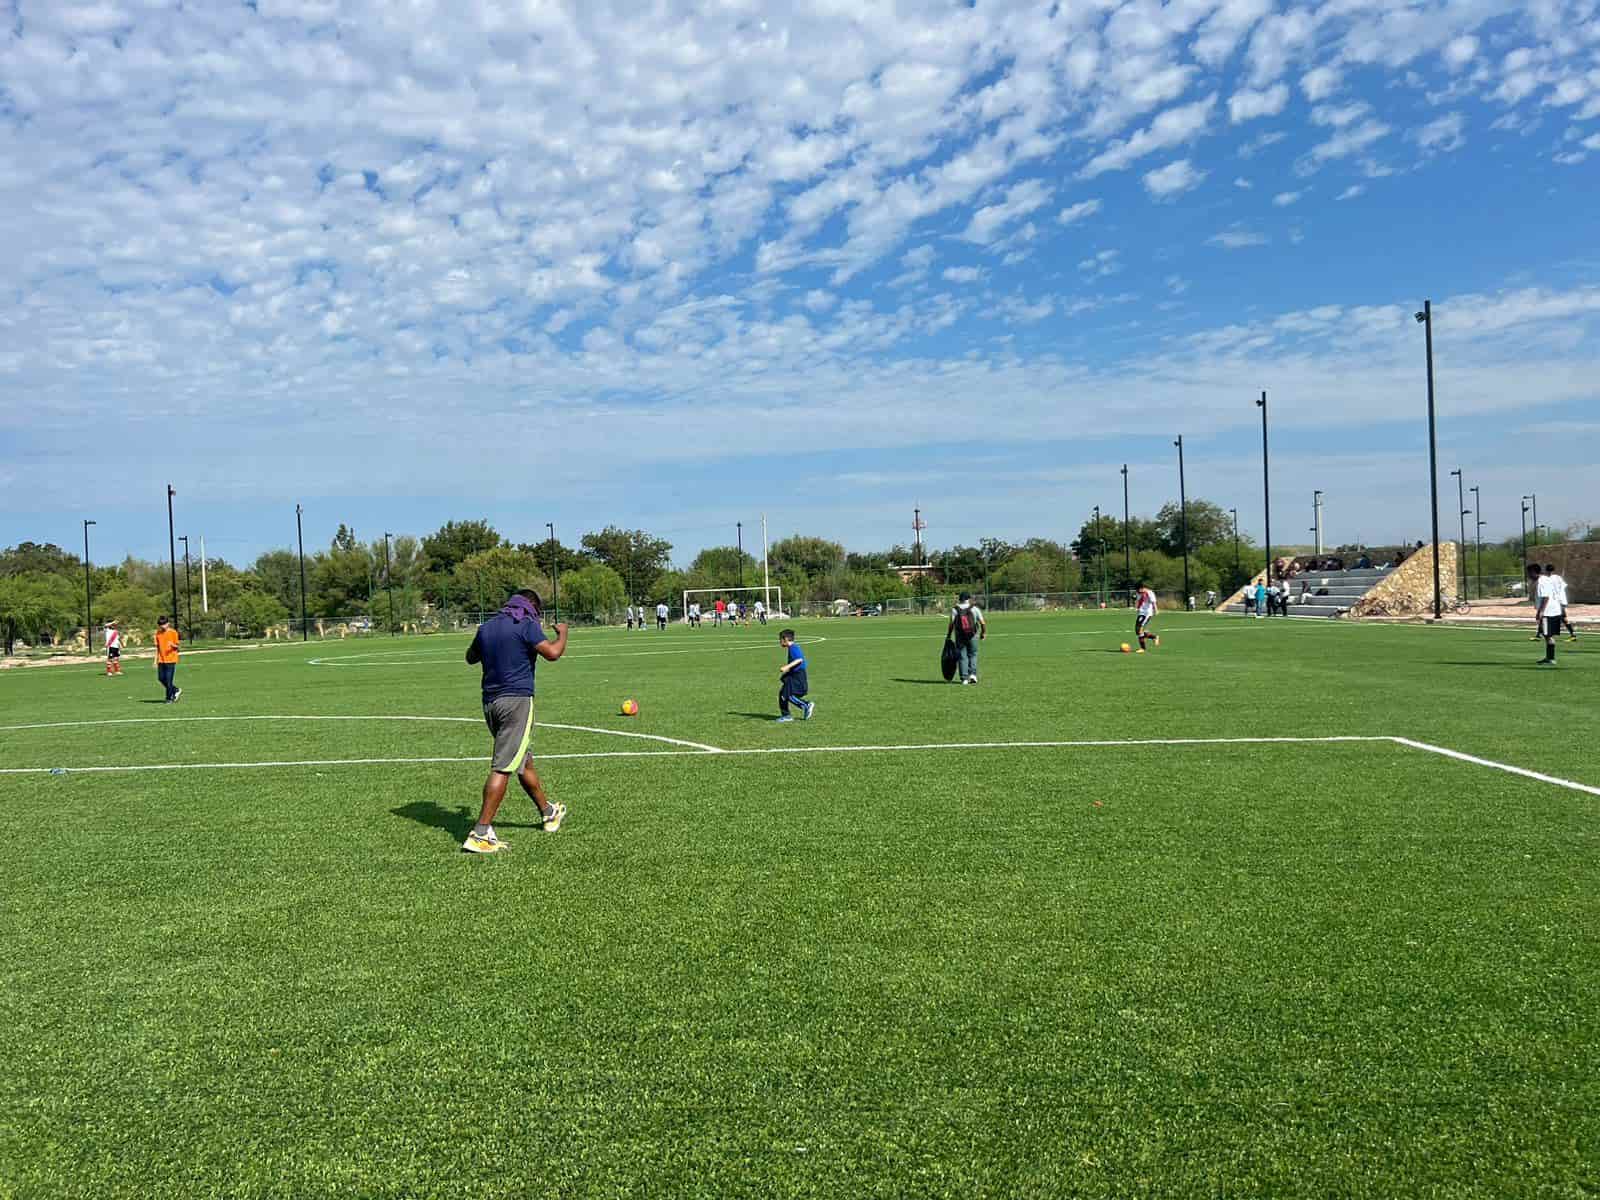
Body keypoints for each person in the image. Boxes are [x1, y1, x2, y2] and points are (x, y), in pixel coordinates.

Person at [461, 589, 569, 854]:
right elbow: (553, 653)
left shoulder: (486, 627)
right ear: (531, 607)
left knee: (522, 759)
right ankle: (482, 832)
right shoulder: (526, 624)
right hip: (517, 702)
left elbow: (470, 657)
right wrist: (563, 633)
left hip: (490, 704)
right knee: (504, 766)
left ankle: (548, 812)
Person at [775, 628, 814, 722]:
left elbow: (799, 660)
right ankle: (786, 715)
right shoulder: (793, 648)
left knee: (786, 694)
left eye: (780, 639)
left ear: (786, 639)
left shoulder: (793, 648)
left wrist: (786, 667)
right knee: (783, 693)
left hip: (797, 675)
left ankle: (806, 705)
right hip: (794, 674)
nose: (779, 641)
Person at [947, 591, 986, 684]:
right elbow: (982, 623)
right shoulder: (974, 608)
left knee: (962, 656)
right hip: (973, 635)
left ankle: (964, 678)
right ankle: (973, 675)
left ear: (960, 599)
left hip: (960, 636)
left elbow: (951, 624)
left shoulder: (955, 609)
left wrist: (948, 635)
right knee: (973, 654)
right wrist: (983, 633)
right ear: (968, 599)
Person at [1536, 564, 1564, 667]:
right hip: (1558, 605)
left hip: (1549, 610)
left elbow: (1546, 596)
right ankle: (1549, 657)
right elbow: (1562, 588)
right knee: (1547, 634)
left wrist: (1541, 611)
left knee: (1548, 635)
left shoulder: (1545, 580)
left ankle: (1551, 658)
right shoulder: (1558, 578)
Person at [154, 616, 181, 702]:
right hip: (161, 660)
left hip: (171, 659)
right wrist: (155, 660)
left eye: (164, 624)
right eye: (161, 625)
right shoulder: (158, 634)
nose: (162, 626)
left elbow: (178, 647)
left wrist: (173, 646)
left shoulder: (173, 632)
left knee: (169, 680)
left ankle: (169, 698)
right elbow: (157, 648)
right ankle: (175, 690)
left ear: (168, 624)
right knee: (161, 678)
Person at [1134, 583, 1159, 653]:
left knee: (1139, 629)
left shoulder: (1150, 593)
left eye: (1139, 590)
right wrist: (1138, 608)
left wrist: (1156, 610)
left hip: (1147, 613)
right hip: (1141, 613)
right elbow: (1139, 601)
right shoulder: (1139, 593)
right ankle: (1154, 637)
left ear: (1142, 588)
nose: (1138, 591)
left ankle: (1143, 648)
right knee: (1137, 630)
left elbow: (1153, 602)